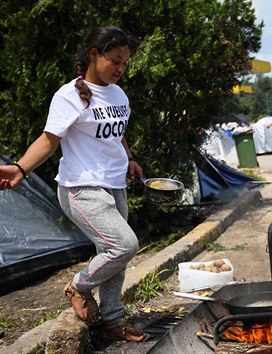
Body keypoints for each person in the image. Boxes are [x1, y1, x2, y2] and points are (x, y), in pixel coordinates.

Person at [0, 26, 150, 342]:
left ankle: (112, 320)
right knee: (124, 245)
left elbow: (116, 131)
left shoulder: (118, 93)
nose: (121, 69)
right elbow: (48, 140)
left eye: (125, 63)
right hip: (81, 189)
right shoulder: (69, 96)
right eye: (115, 61)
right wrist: (20, 169)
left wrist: (130, 158)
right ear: (94, 55)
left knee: (115, 257)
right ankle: (78, 286)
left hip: (114, 185)